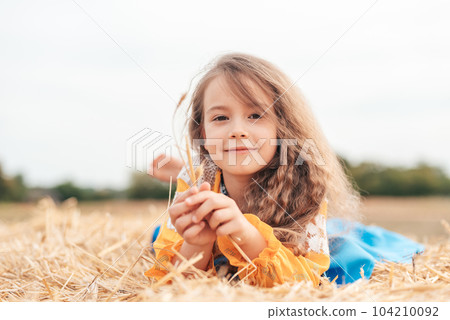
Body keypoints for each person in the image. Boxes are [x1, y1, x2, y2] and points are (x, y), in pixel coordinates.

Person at [144, 53, 423, 287]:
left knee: (346, 250)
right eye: (220, 117)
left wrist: (245, 234)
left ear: (282, 127)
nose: (238, 130)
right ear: (201, 130)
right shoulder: (196, 180)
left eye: (256, 115)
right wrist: (198, 244)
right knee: (159, 237)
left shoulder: (305, 183)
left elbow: (301, 282)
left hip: (299, 239)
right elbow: (173, 287)